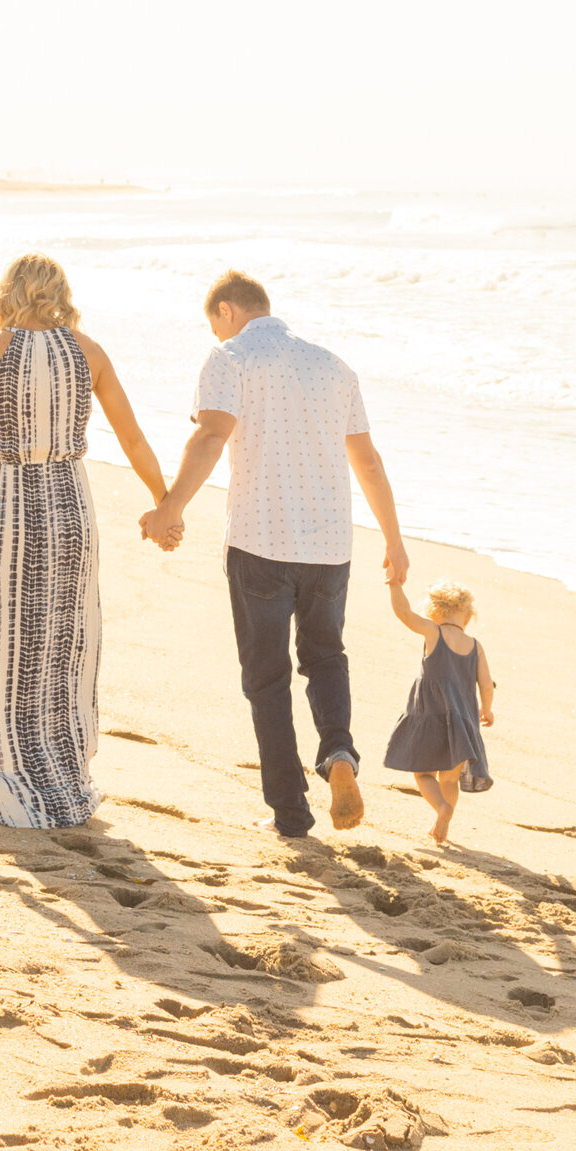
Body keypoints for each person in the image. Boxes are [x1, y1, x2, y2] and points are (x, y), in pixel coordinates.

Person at [139, 270, 410, 839]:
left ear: (226, 312)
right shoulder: (333, 366)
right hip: (331, 545)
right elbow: (370, 462)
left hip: (261, 541)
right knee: (326, 658)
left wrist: (171, 509)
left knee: (267, 678)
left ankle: (290, 812)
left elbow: (211, 436)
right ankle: (339, 754)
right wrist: (394, 539)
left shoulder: (230, 358)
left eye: (214, 326)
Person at [0, 253, 167, 829]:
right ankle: (65, 778)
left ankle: (9, 774)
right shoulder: (89, 353)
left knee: (6, 639)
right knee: (64, 643)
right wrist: (164, 503)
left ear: (9, 291)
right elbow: (134, 437)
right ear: (61, 292)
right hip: (71, 502)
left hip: (8, 505)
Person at [383, 576, 495, 844]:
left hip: (430, 716)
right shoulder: (475, 646)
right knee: (449, 780)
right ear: (468, 617)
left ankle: (441, 809)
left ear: (433, 612)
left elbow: (404, 613)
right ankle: (446, 818)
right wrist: (487, 709)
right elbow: (486, 684)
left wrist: (394, 585)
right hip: (463, 722)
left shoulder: (433, 632)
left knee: (423, 773)